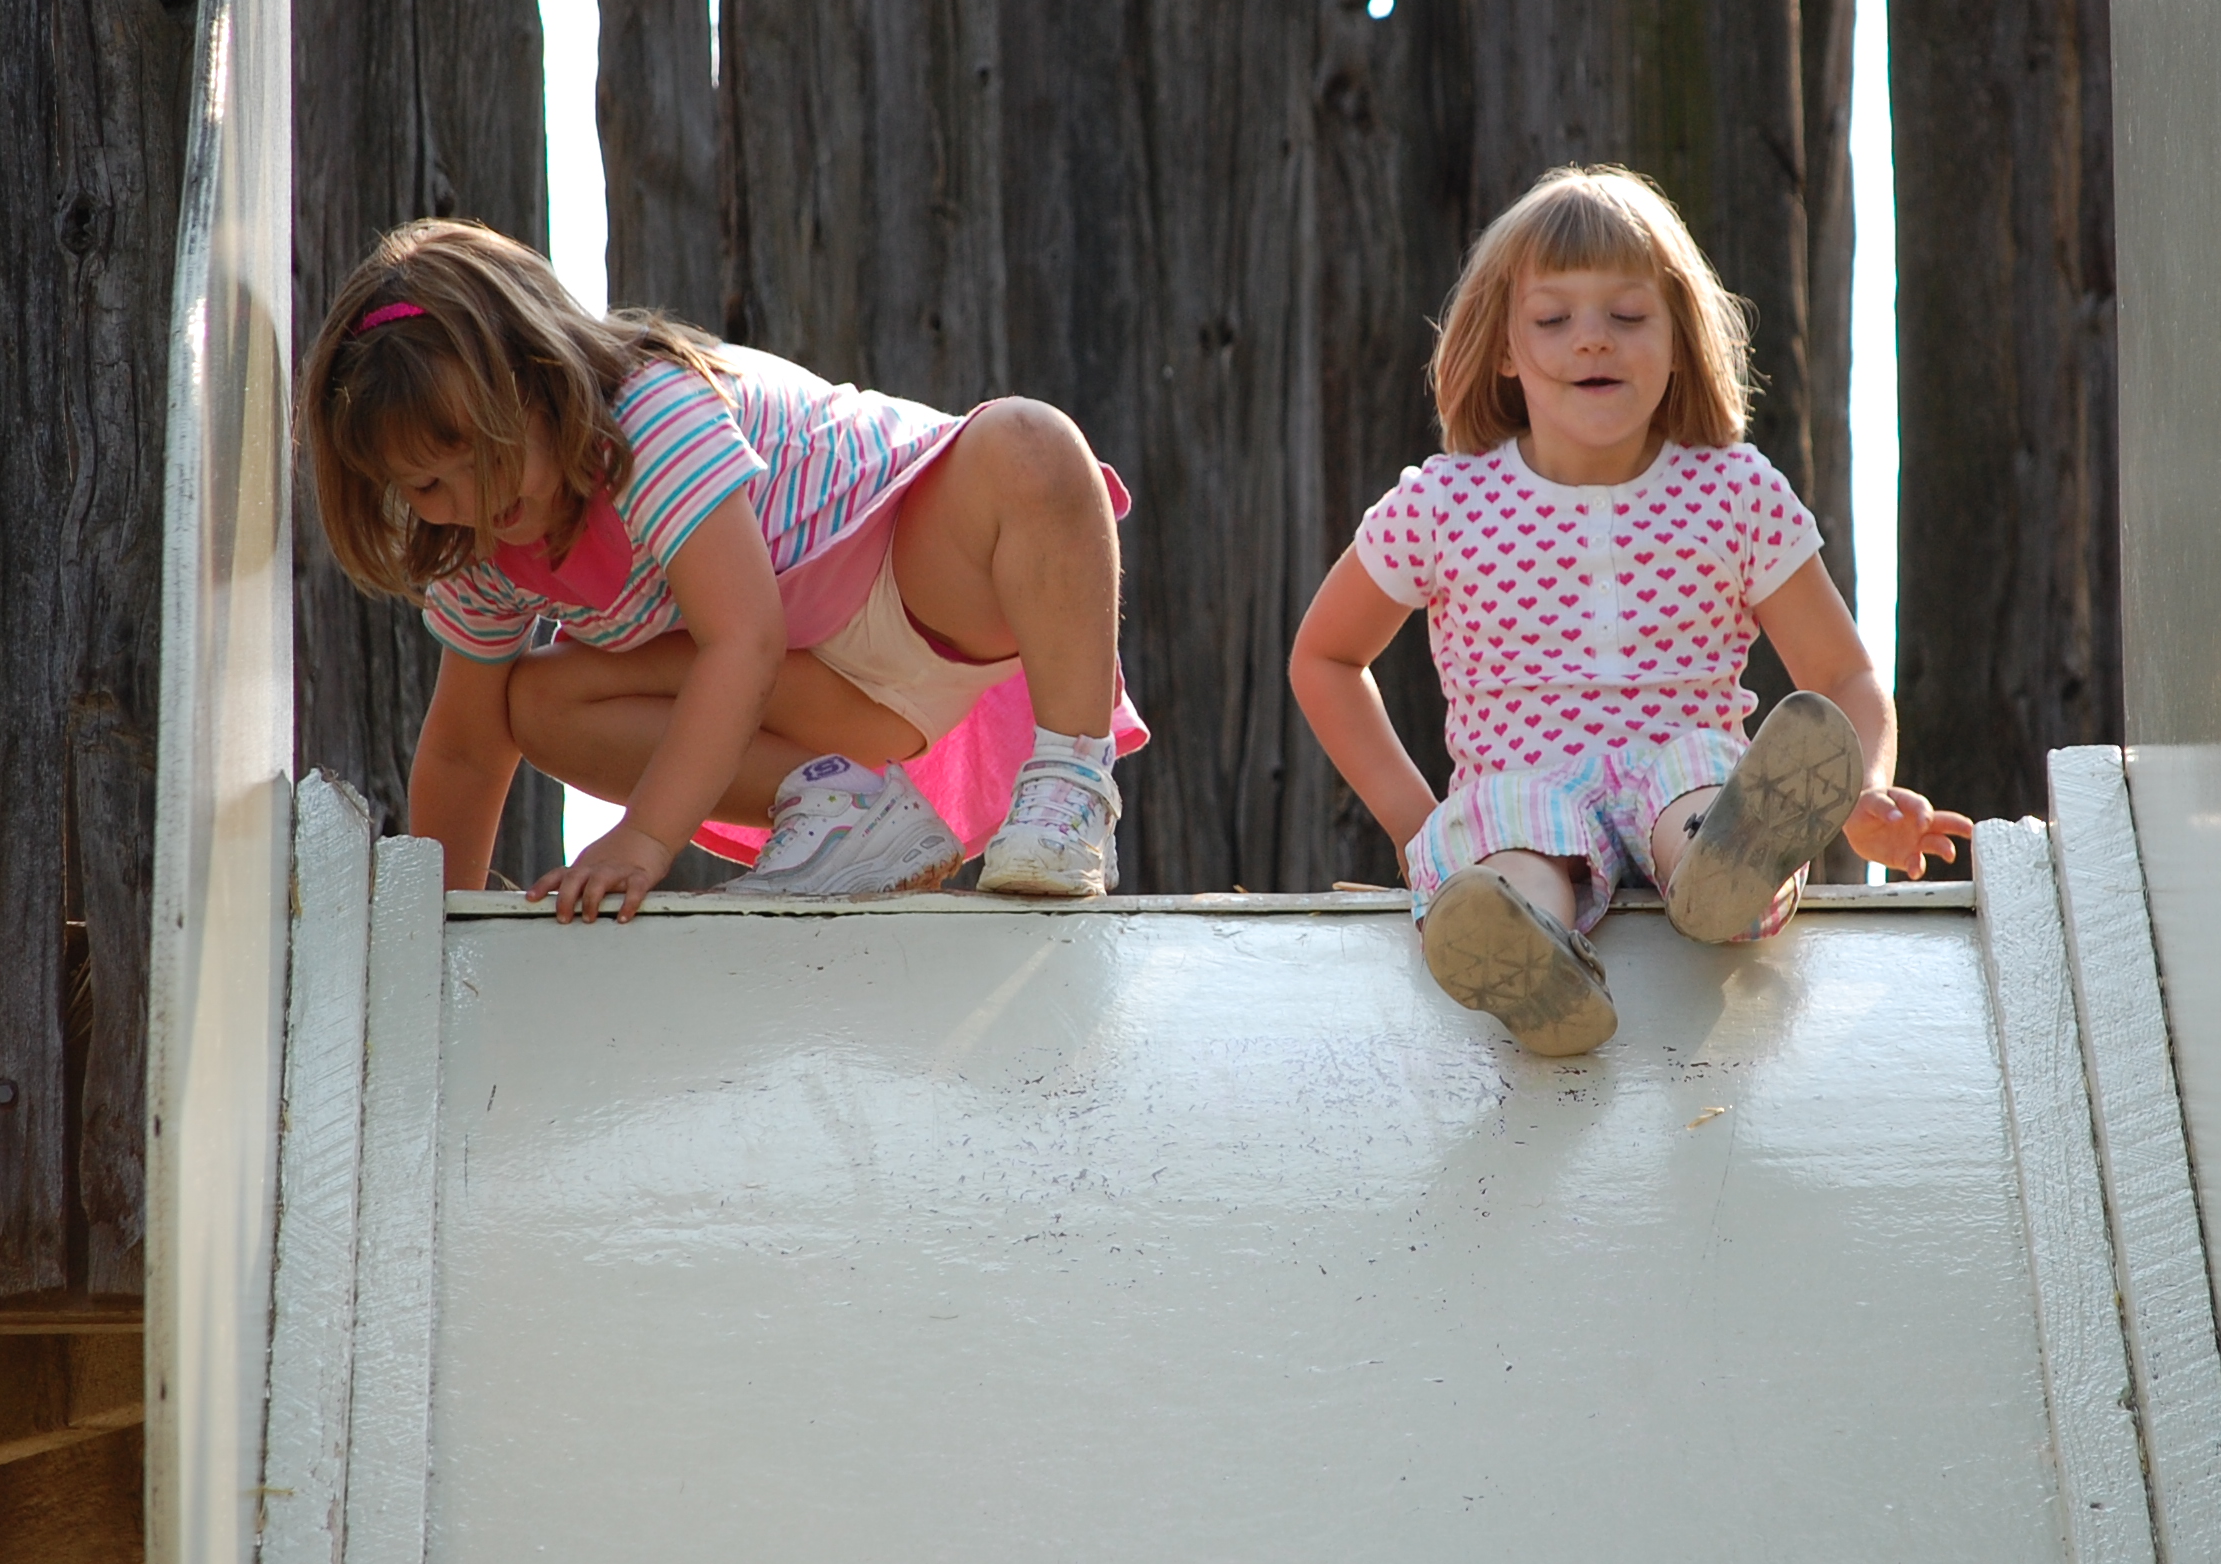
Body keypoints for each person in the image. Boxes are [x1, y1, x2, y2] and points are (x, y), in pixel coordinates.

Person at [1289, 167, 1970, 1056]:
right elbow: (1327, 657)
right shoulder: (1444, 505)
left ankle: (1727, 872)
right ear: (1504, 348)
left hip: (1683, 778)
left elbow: (1841, 673)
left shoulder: (1733, 493)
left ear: (1678, 338)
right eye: (1553, 319)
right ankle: (1523, 946)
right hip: (1525, 787)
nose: (1592, 339)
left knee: (1710, 786)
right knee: (1509, 836)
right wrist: (1419, 828)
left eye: (1628, 314)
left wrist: (1863, 790)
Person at [299, 220, 1142, 922]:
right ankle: (843, 807)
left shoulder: (645, 416)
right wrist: (436, 926)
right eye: (427, 486)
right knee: (535, 703)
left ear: (542, 375)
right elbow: (465, 749)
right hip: (833, 702)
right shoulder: (478, 552)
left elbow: (744, 639)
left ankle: (1070, 779)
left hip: (914, 577)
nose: (472, 500)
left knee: (1028, 442)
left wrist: (644, 837)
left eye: (486, 451)